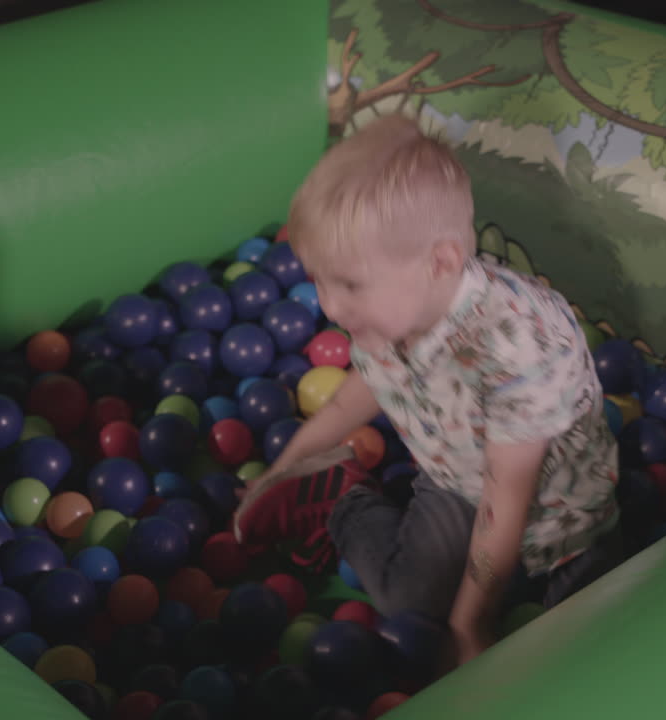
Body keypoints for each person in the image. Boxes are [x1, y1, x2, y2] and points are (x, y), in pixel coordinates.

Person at [233, 112, 623, 667]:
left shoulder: (513, 346)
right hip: (454, 480)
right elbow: (357, 393)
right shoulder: (387, 315)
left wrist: (470, 623)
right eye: (318, 280)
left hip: (562, 518)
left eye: (348, 283)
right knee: (406, 601)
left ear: (439, 262)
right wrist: (285, 469)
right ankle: (337, 495)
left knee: (591, 647)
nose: (331, 306)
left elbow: (505, 499)